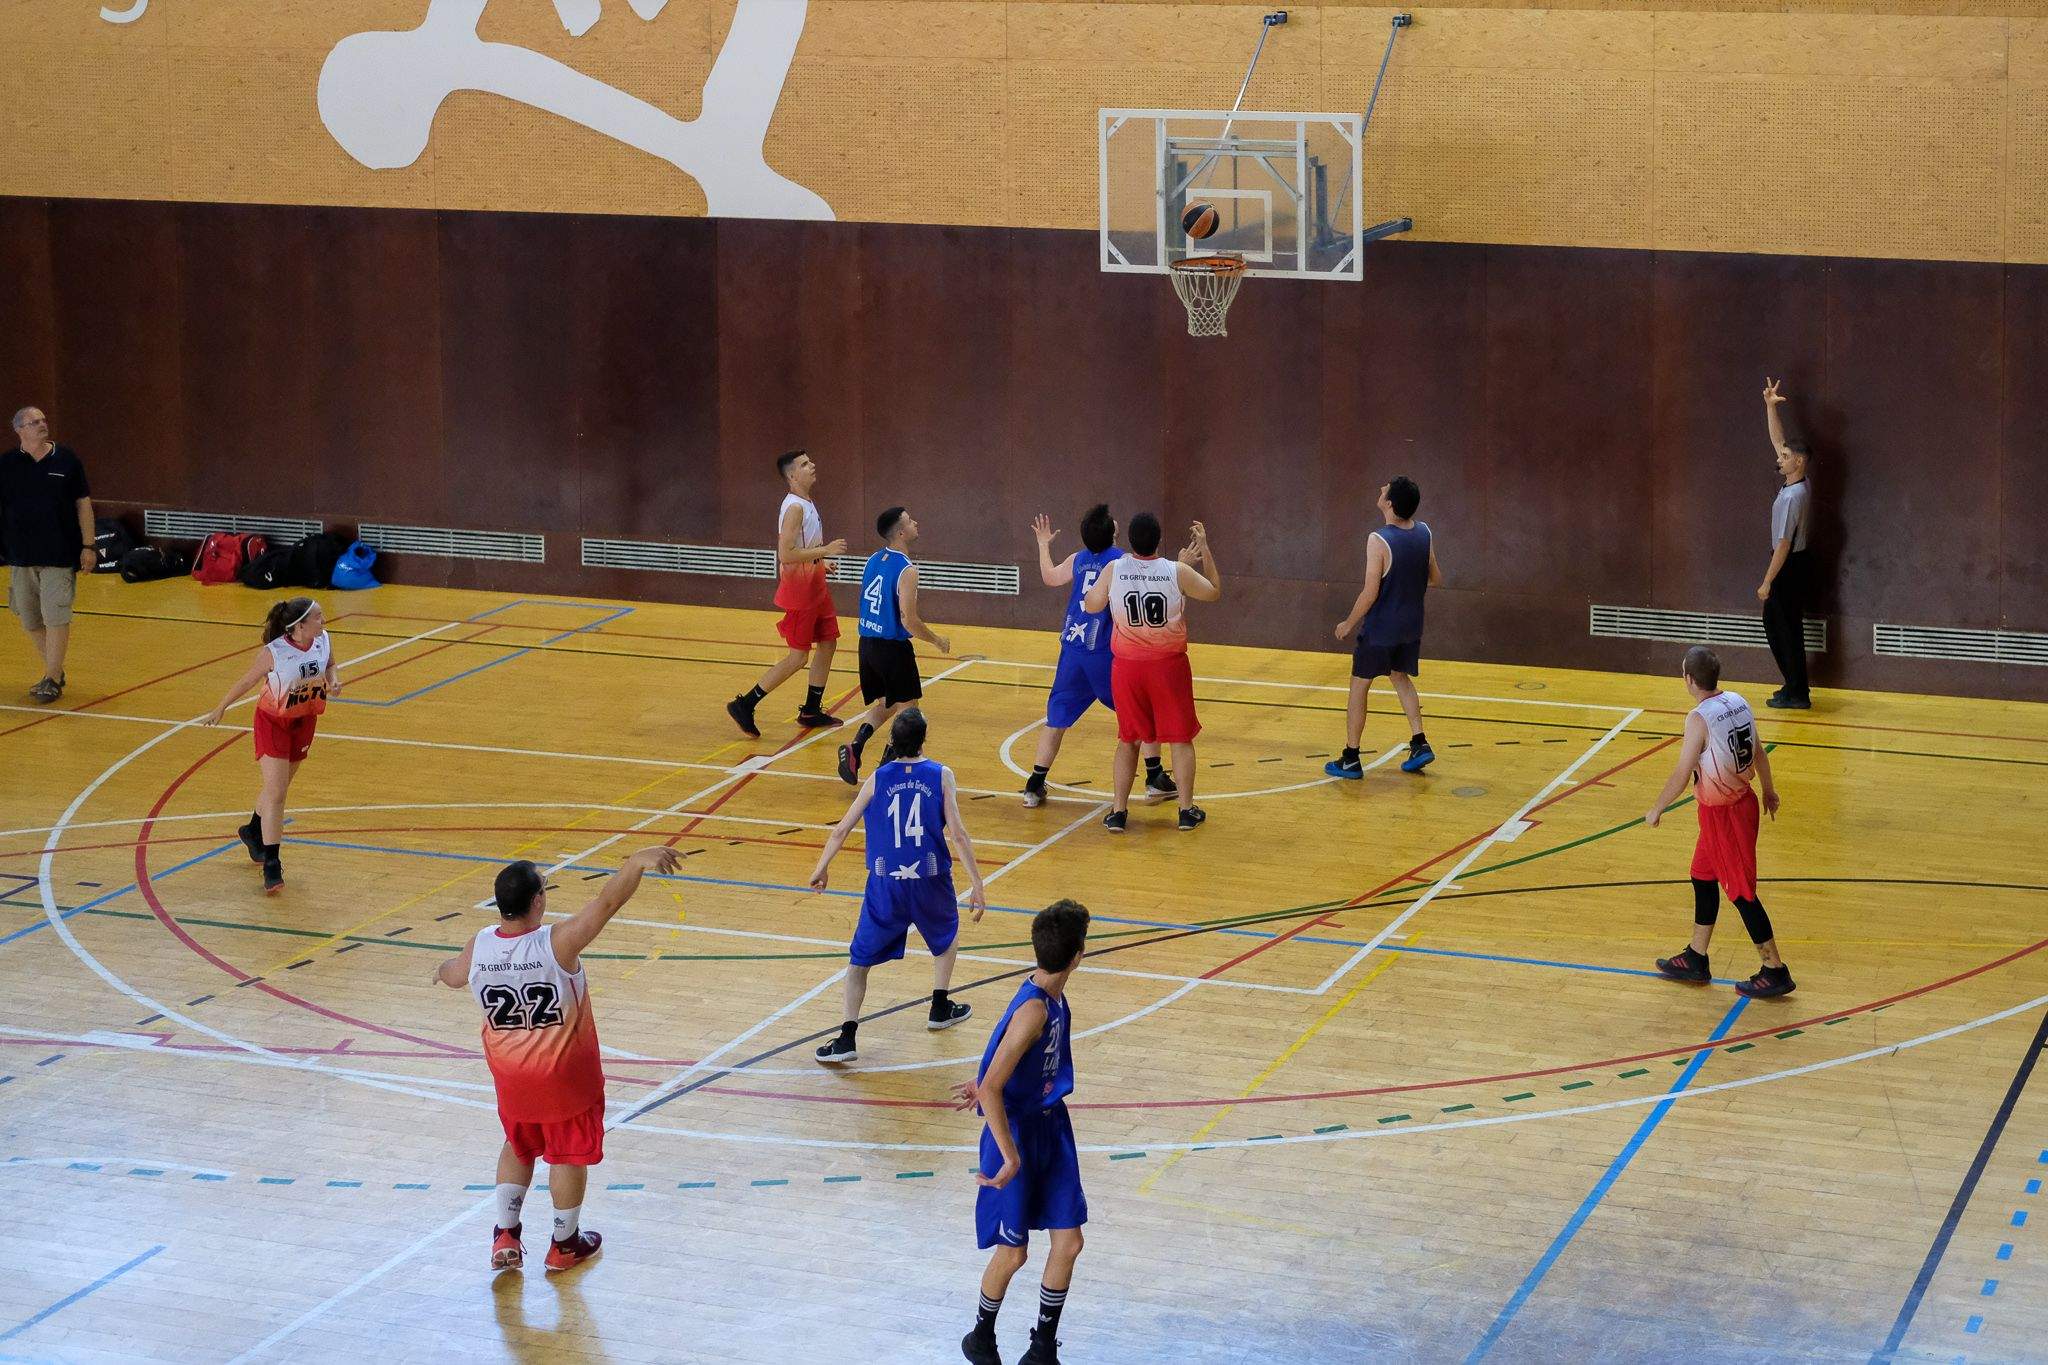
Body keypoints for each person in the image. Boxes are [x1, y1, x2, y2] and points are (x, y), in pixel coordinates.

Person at [431, 847, 683, 1272]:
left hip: (512, 1077)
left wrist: (440, 970)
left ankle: (505, 1235)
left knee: (518, 1145)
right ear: (537, 901)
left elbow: (454, 975)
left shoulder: (479, 946)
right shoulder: (557, 943)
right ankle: (564, 1245)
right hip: (565, 1078)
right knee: (567, 1155)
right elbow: (607, 902)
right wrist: (636, 862)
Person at [954, 899, 1092, 1365]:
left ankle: (1041, 1349)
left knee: (1069, 1243)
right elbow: (993, 1087)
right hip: (1014, 1134)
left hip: (1051, 1127)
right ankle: (980, 1338)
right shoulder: (1034, 1009)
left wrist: (984, 1077)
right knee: (1013, 1253)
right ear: (1078, 955)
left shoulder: (1051, 996)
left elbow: (1002, 1059)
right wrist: (1010, 1156)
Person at [810, 708, 987, 1063]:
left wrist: (821, 866)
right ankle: (939, 1006)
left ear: (892, 740)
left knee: (859, 961)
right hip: (930, 878)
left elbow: (841, 829)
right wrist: (977, 882)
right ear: (923, 740)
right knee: (947, 936)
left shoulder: (878, 778)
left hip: (886, 882)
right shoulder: (942, 775)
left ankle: (847, 1036)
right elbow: (958, 834)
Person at [1646, 645, 1795, 999]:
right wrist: (1768, 790)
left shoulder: (1699, 718)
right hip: (1733, 805)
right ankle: (1696, 957)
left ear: (1688, 680)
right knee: (1702, 875)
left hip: (1727, 815)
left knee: (1742, 893)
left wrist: (1657, 807)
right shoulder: (1738, 701)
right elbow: (1759, 751)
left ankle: (1775, 969)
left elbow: (1682, 772)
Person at [1022, 507, 1172, 808]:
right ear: (1113, 531)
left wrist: (1042, 544)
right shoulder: (1121, 562)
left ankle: (1034, 785)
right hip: (1103, 652)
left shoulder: (1078, 559)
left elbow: (1050, 577)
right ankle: (1154, 776)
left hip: (1072, 648)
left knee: (1056, 719)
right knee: (1141, 709)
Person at [1080, 515, 1220, 832]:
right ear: (1158, 540)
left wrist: (1098, 594)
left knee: (1128, 740)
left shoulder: (1114, 569)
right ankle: (1186, 811)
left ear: (1129, 541)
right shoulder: (1176, 571)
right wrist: (1205, 549)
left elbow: (1092, 606)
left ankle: (1118, 812)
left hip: (1127, 668)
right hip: (1167, 666)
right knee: (1180, 739)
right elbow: (1214, 591)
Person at [201, 597, 340, 894]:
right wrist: (221, 707)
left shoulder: (323, 640)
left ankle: (253, 830)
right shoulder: (274, 652)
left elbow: (330, 664)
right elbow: (247, 681)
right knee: (277, 793)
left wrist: (334, 681)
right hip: (273, 722)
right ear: (299, 626)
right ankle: (272, 864)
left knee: (279, 786)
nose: (324, 620)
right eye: (318, 617)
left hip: (305, 721)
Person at [727, 449, 849, 739]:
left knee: (828, 643)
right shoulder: (794, 508)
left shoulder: (806, 502)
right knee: (798, 657)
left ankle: (811, 709)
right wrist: (825, 550)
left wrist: (820, 561)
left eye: (810, 461)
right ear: (792, 475)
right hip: (801, 591)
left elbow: (801, 549)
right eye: (805, 464)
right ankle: (745, 704)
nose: (812, 465)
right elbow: (786, 553)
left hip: (815, 583)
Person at [1327, 476, 1442, 779]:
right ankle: (1419, 742)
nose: (1380, 489)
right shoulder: (1425, 532)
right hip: (1411, 627)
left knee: (1359, 686)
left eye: (1385, 488)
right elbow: (1435, 578)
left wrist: (1347, 623)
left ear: (1389, 503)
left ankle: (1351, 757)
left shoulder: (1378, 540)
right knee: (1400, 677)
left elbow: (1370, 593)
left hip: (1381, 629)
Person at [837, 506, 951, 785]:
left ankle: (855, 747)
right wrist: (937, 640)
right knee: (908, 710)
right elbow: (908, 620)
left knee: (887, 703)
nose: (916, 523)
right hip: (891, 648)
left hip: (867, 645)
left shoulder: (873, 559)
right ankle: (887, 768)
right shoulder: (907, 570)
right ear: (900, 533)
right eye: (910, 521)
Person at [0, 406, 95, 702]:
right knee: (29, 618)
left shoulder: (66, 460)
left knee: (55, 615)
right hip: (20, 555)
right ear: (19, 430)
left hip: (59, 555)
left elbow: (83, 504)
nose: (42, 424)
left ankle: (51, 678)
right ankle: (56, 668)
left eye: (43, 420)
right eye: (34, 422)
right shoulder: (7, 464)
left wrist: (88, 545)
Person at [1760, 379, 1813, 709]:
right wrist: (1770, 407)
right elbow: (1779, 441)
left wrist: (1767, 581)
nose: (1780, 459)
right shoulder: (1799, 481)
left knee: (1784, 628)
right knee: (1780, 625)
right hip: (1793, 564)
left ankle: (1797, 693)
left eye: (1786, 457)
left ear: (1799, 461)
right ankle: (1793, 686)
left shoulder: (1794, 497)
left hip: (1788, 565)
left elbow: (1783, 544)